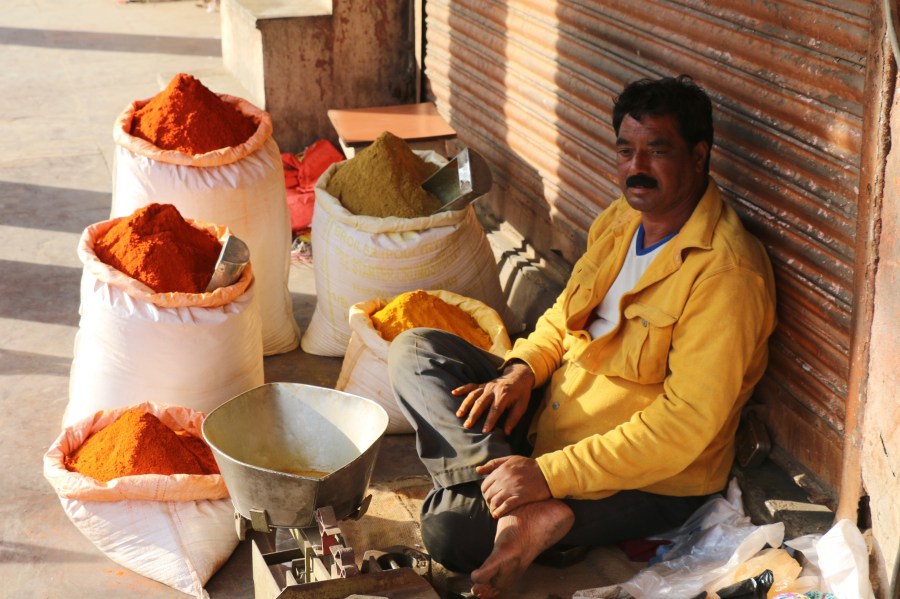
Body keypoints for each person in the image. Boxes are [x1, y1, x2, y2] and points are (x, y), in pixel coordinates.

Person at [387, 75, 777, 598]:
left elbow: (683, 428)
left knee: (449, 527)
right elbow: (562, 315)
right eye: (626, 150)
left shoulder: (727, 274)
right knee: (416, 350)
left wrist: (549, 475)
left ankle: (520, 502)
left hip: (646, 479)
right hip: (553, 415)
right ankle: (516, 507)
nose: (636, 167)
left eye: (657, 150)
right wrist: (522, 371)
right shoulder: (621, 220)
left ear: (699, 156)